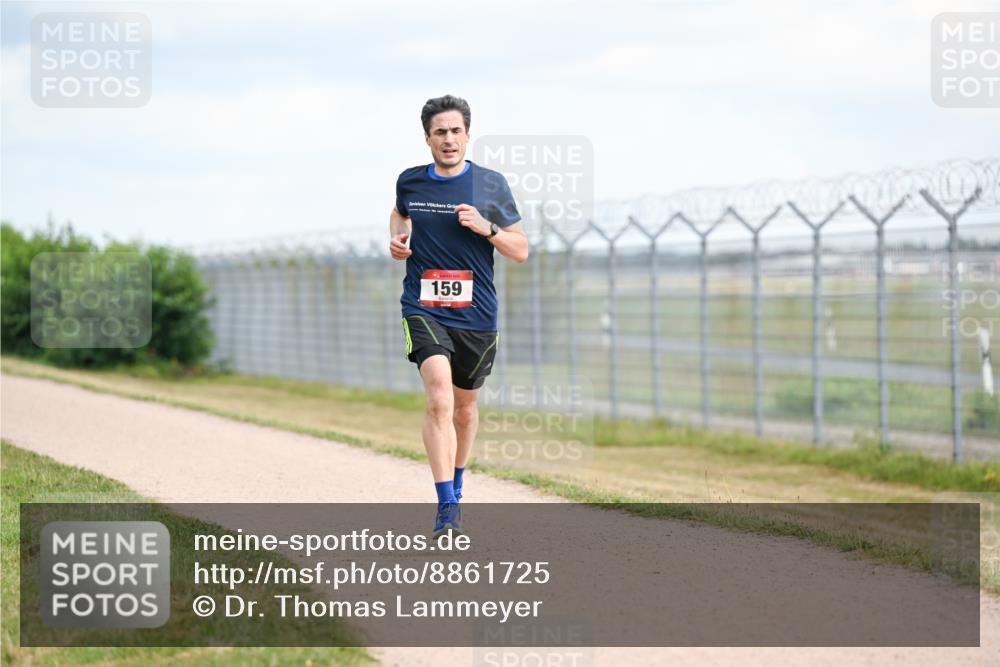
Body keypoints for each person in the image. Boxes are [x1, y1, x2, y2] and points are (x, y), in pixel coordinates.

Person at [389, 95, 528, 537]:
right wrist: (399, 239)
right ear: (427, 137)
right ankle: (446, 503)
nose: (448, 139)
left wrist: (487, 228)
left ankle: (459, 478)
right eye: (439, 132)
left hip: (477, 314)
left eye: (455, 131)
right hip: (423, 306)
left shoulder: (490, 185)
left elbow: (521, 250)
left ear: (467, 134)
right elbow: (399, 214)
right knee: (439, 399)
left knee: (465, 410)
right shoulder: (410, 182)